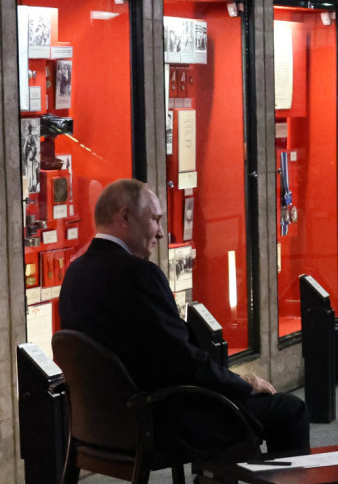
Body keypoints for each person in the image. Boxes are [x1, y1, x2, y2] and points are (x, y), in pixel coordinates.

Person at [58, 179, 308, 456]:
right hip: (157, 419)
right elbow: (181, 360)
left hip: (99, 426)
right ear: (126, 216)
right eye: (155, 219)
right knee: (290, 409)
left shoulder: (74, 275)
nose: (162, 232)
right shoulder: (139, 275)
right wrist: (243, 384)